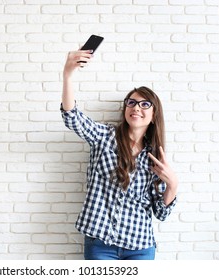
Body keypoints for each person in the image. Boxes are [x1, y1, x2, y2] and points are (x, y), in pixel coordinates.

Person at [60, 49, 178, 260]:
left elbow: (161, 213)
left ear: (153, 115)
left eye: (144, 104)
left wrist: (173, 185)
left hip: (140, 246)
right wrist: (68, 75)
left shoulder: (155, 157)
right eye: (131, 102)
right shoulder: (104, 136)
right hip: (100, 243)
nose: (136, 108)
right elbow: (72, 117)